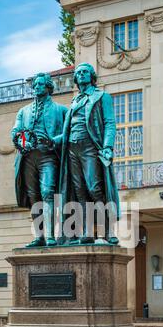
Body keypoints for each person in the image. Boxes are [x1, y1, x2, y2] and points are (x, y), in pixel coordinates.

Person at [57, 62, 120, 245]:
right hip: (72, 149)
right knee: (80, 192)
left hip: (90, 147)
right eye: (79, 73)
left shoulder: (102, 96)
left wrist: (107, 146)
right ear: (75, 78)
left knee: (95, 188)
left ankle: (107, 231)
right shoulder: (74, 101)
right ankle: (86, 232)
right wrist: (53, 141)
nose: (82, 74)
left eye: (85, 72)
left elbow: (109, 123)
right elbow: (67, 131)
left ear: (91, 76)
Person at [11, 73, 67, 247]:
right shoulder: (23, 111)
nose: (37, 87)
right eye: (35, 85)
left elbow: (68, 133)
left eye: (41, 84)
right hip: (27, 157)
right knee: (34, 197)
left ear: (49, 87)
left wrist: (54, 140)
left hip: (48, 156)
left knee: (47, 192)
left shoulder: (61, 110)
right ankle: (39, 236)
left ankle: (50, 235)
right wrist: (19, 139)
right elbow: (15, 131)